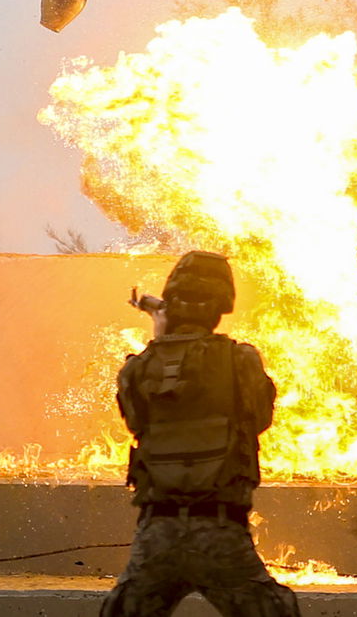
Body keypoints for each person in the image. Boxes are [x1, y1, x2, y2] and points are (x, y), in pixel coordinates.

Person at [101, 250, 300, 617]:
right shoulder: (240, 361)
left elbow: (138, 423)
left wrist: (161, 339)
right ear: (220, 307)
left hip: (157, 533)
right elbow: (258, 419)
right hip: (220, 531)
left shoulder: (138, 368)